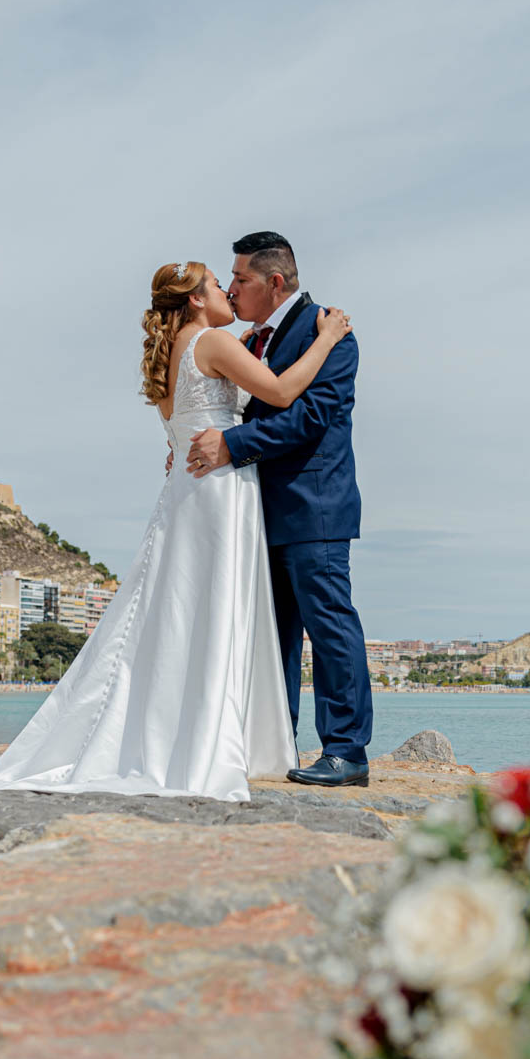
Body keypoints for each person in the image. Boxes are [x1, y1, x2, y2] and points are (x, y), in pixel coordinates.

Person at [0, 259, 350, 800]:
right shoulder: (212, 342)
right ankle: (208, 739)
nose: (227, 291)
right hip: (219, 489)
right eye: (217, 285)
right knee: (212, 611)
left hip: (188, 491)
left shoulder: (168, 359)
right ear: (194, 300)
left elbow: (182, 428)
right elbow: (280, 394)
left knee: (179, 612)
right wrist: (325, 339)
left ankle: (183, 737)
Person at [184, 232, 373, 788]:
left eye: (239, 278)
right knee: (274, 634)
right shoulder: (252, 341)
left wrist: (231, 445)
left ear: (274, 282)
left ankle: (346, 751)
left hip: (315, 507)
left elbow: (311, 418)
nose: (232, 287)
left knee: (329, 625)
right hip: (255, 512)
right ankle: (278, 741)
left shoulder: (329, 335)